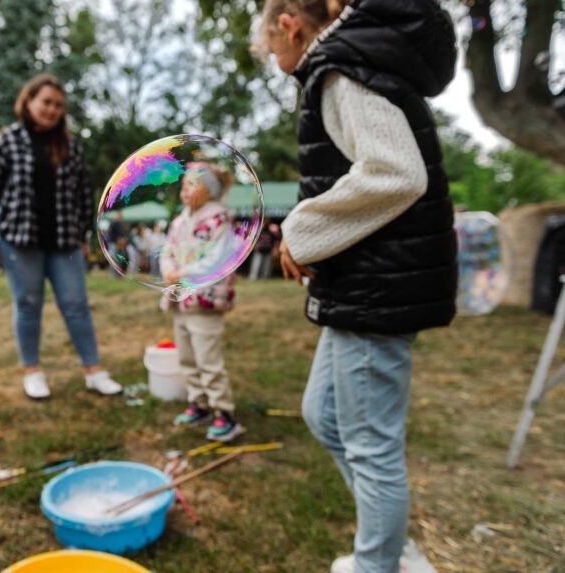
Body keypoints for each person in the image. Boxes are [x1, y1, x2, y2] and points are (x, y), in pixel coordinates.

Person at [255, 1, 458, 572]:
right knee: (324, 415)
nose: (277, 64)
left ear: (290, 23)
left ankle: (379, 564)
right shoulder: (354, 60)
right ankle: (390, 545)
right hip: (365, 285)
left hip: (377, 291)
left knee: (371, 444)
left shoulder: (340, 68)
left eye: (273, 49)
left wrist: (302, 230)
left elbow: (396, 172)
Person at [0, 73, 121, 400]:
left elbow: (84, 194)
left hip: (64, 241)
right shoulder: (6, 141)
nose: (51, 110)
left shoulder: (69, 145)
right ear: (29, 101)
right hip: (20, 242)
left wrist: (83, 233)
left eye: (58, 105)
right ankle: (33, 371)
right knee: (27, 304)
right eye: (46, 102)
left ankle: (94, 371)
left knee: (76, 304)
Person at [160, 162, 242, 442]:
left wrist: (182, 272)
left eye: (192, 184)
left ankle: (224, 413)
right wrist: (168, 271)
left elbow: (217, 258)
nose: (185, 190)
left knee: (208, 360)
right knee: (187, 357)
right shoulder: (180, 221)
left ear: (210, 191)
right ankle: (199, 403)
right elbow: (167, 251)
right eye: (184, 185)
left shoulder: (219, 219)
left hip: (205, 302)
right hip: (181, 300)